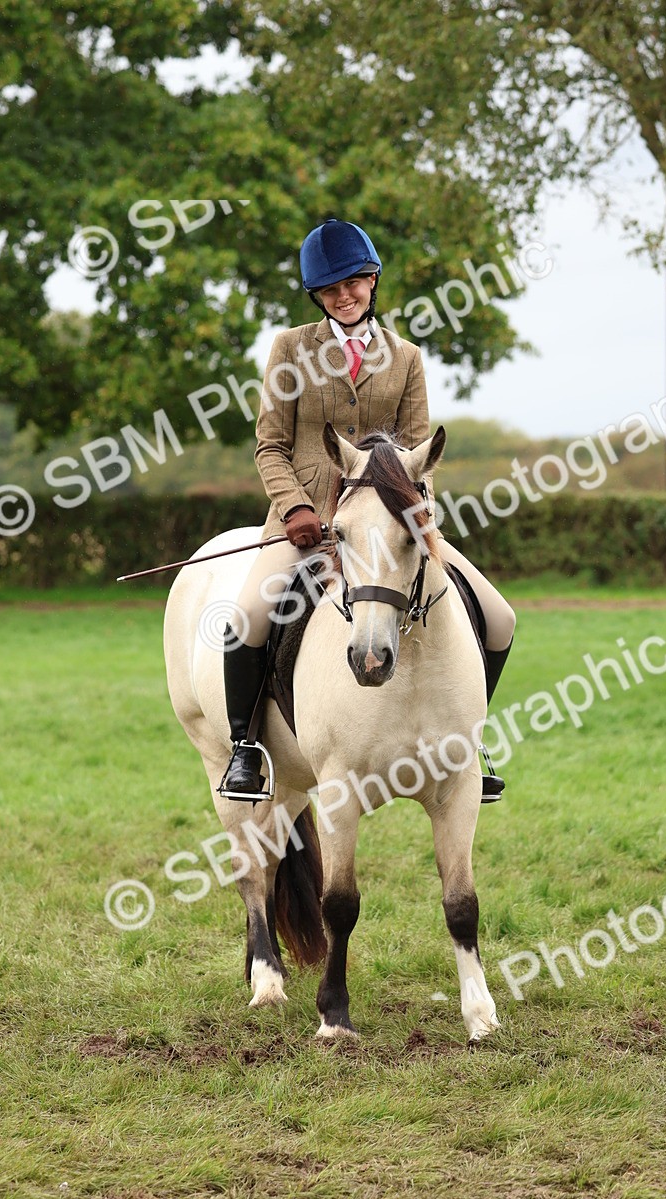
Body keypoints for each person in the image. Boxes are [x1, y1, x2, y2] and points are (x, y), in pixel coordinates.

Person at [220, 218, 515, 801]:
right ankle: (244, 750)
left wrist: (409, 515)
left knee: (500, 617)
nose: (344, 296)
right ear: (317, 296)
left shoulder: (405, 357)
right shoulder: (290, 349)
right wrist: (297, 507)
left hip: (389, 526)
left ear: (373, 279)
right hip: (301, 525)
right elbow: (271, 445)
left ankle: (470, 742)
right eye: (331, 289)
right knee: (248, 618)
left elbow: (416, 451)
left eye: (353, 282)